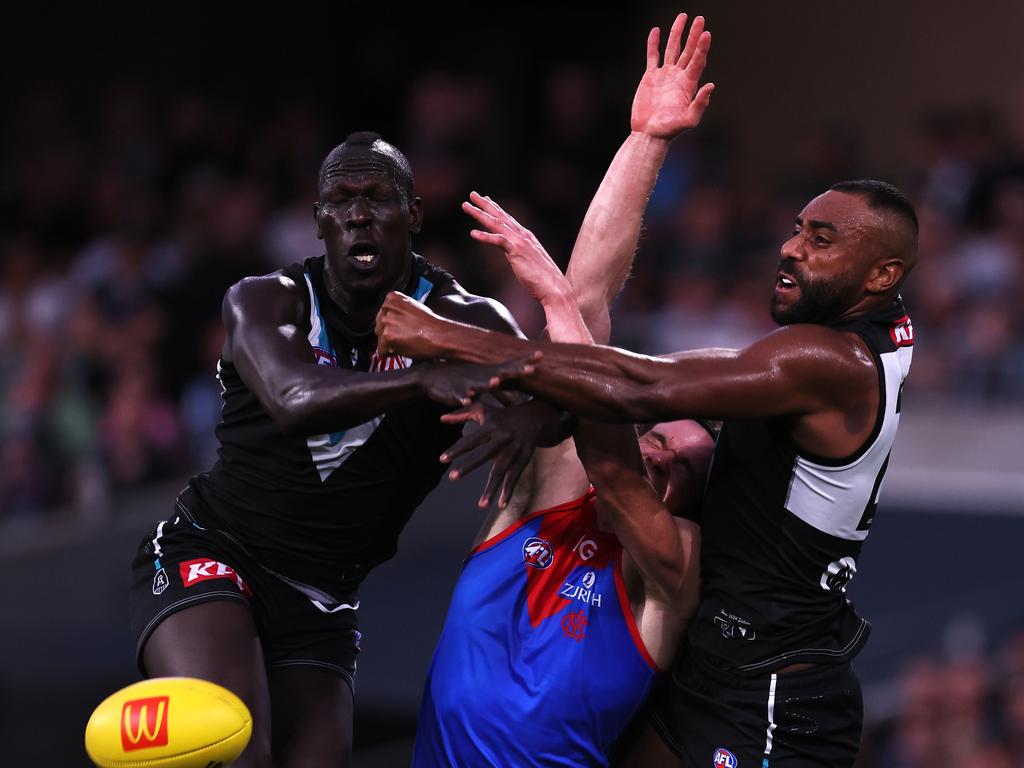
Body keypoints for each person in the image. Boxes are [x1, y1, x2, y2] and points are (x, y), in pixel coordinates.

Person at [377, 179, 918, 765]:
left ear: (881, 275)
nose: (792, 248)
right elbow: (639, 374)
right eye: (797, 230)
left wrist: (446, 335)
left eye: (822, 239)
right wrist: (549, 388)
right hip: (717, 668)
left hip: (773, 696)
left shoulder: (831, 361)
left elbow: (636, 395)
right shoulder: (842, 347)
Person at [127, 131, 547, 768]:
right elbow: (295, 397)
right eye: (340, 200)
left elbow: (564, 386)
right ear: (318, 220)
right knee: (236, 745)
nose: (357, 213)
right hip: (216, 549)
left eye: (377, 197)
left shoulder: (467, 319)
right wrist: (421, 377)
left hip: (324, 598)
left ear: (413, 214)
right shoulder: (264, 299)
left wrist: (536, 416)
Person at [411, 14, 715, 766]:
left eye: (682, 462)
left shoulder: (672, 568)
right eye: (659, 435)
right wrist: (647, 141)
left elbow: (611, 453)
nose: (664, 452)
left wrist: (558, 310)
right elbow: (587, 301)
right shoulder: (545, 500)